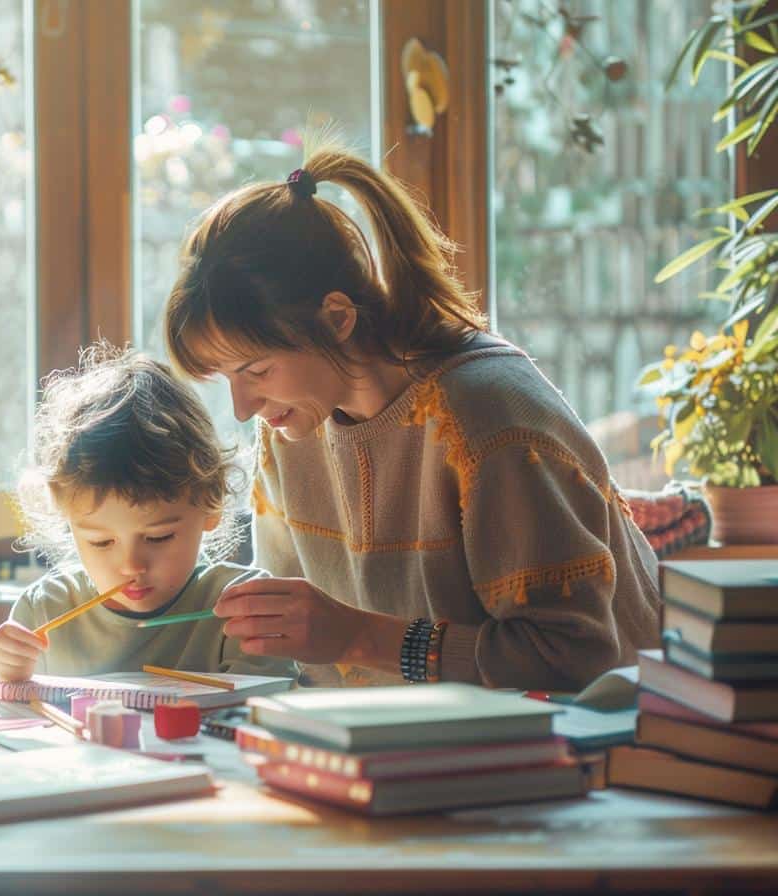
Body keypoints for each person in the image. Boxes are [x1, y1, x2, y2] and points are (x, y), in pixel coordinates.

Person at [163, 141, 660, 692]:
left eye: (255, 370)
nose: (242, 407)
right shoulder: (292, 425)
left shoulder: (491, 422)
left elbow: (574, 658)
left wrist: (358, 637)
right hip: (389, 752)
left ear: (336, 318)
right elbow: (293, 643)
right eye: (227, 378)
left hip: (583, 753)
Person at [0, 345, 299, 683]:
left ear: (212, 506)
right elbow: (10, 722)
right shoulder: (44, 611)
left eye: (158, 537)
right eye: (101, 541)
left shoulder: (245, 610)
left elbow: (264, 717)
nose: (132, 566)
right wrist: (4, 675)